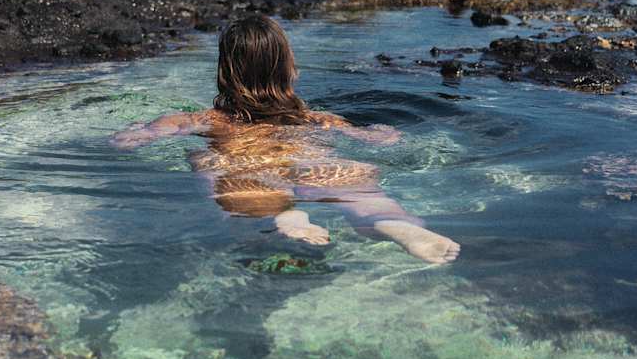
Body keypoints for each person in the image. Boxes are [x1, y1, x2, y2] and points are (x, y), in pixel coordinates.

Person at [112, 14, 460, 264]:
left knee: (230, 177)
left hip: (247, 158)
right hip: (313, 157)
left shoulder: (205, 120)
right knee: (362, 195)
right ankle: (394, 224)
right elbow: (382, 139)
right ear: (288, 69)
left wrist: (140, 130)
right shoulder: (319, 119)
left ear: (225, 73)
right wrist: (377, 133)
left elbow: (133, 140)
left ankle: (285, 218)